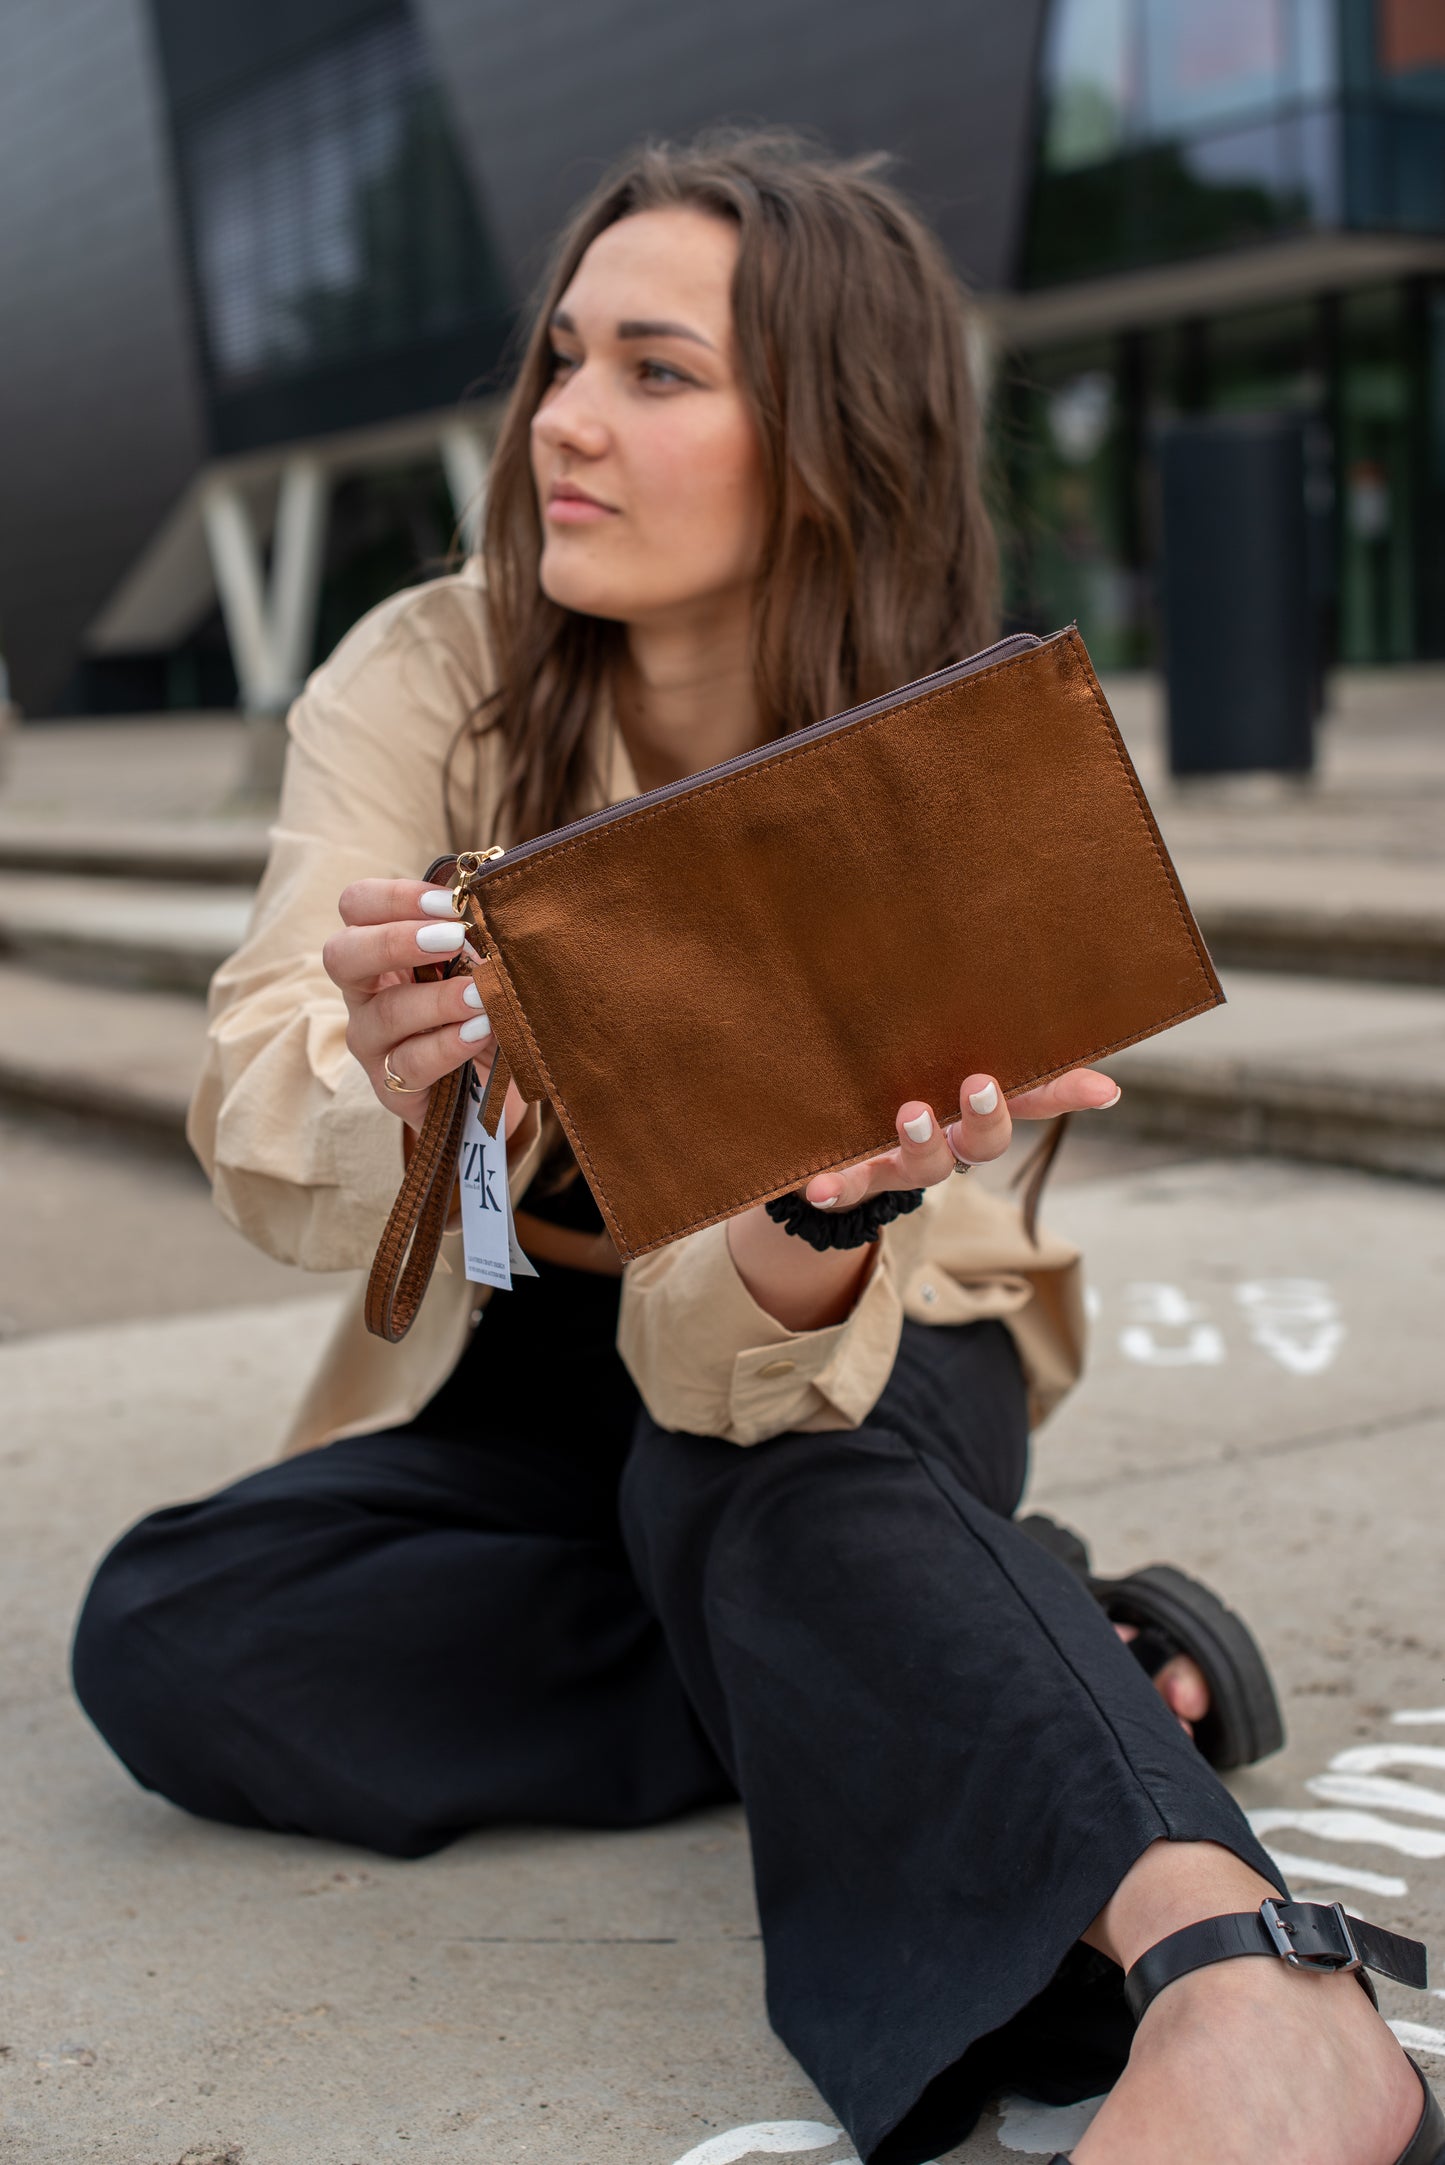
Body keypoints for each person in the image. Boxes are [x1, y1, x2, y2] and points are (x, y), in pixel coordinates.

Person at [71, 135, 1437, 2165]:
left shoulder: (947, 762)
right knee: (177, 1638)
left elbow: (745, 1358)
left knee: (749, 1492)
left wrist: (806, 1202)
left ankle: (1253, 1991)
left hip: (852, 1338)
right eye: (558, 362)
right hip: (530, 1347)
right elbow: (263, 1104)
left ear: (823, 438)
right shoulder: (433, 670)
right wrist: (393, 1067)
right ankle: (1047, 1640)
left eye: (654, 372)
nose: (564, 424)